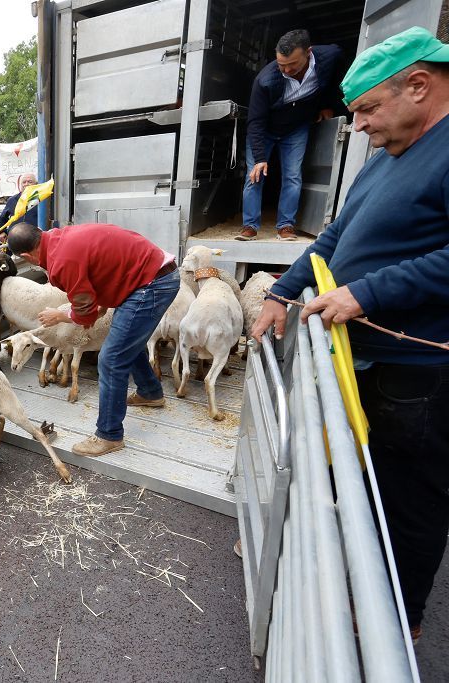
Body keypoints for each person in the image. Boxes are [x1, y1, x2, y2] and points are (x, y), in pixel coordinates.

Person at [251, 27, 449, 641]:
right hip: (362, 359)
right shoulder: (387, 158)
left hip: (420, 371)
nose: (356, 125)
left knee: (411, 494)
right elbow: (336, 238)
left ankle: (397, 621)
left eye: (366, 108)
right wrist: (283, 291)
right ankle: (357, 574)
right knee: (365, 476)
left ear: (418, 86)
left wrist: (368, 291)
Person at [7, 222, 179, 457]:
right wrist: (95, 307)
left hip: (151, 283)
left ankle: (109, 435)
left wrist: (60, 315)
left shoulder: (61, 261)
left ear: (27, 256)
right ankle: (150, 392)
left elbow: (84, 311)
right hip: (152, 272)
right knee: (127, 340)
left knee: (110, 359)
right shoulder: (59, 238)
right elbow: (103, 272)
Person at [236, 30, 344, 241]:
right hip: (265, 129)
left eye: (292, 64)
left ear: (308, 53)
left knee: (293, 176)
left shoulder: (329, 57)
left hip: (296, 128)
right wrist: (259, 158)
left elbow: (336, 77)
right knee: (255, 175)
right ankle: (249, 226)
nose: (285, 69)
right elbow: (255, 121)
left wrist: (328, 105)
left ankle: (285, 225)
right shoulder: (265, 80)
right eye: (281, 64)